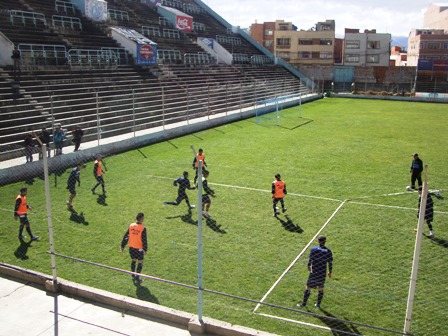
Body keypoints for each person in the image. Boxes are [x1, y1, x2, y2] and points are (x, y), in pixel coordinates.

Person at [298, 236, 333, 308]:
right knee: (320, 288)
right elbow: (330, 262)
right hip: (322, 272)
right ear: (325, 241)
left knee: (308, 287)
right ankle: (318, 305)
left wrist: (309, 266)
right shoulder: (328, 251)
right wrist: (330, 271)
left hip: (314, 271)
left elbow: (310, 259)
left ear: (318, 241)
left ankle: (304, 304)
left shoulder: (314, 249)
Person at [120, 213, 148, 285]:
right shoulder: (143, 228)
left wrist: (122, 246)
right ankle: (137, 278)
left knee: (133, 260)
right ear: (141, 219)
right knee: (140, 262)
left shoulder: (131, 226)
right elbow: (144, 240)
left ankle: (133, 274)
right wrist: (145, 249)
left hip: (131, 247)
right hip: (139, 249)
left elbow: (126, 236)